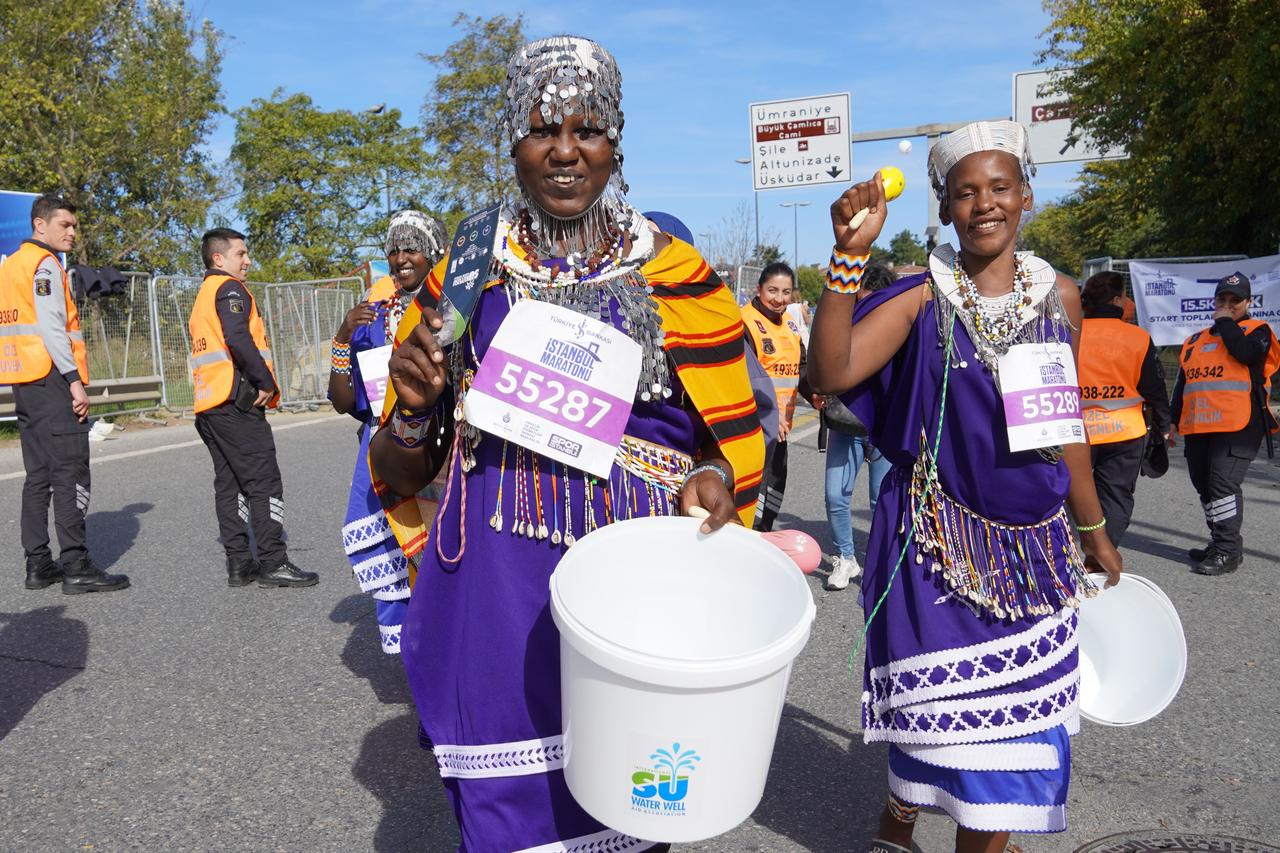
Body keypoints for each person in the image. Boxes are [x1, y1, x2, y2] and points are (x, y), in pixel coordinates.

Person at [369, 35, 762, 853]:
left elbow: (725, 438)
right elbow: (397, 466)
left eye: (586, 130)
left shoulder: (677, 273)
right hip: (498, 590)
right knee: (513, 818)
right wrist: (411, 411)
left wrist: (714, 475)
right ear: (513, 142)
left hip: (636, 584)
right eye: (542, 130)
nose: (564, 152)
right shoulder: (468, 272)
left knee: (636, 799)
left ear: (616, 142)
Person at [808, 121, 1122, 852]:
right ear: (945, 208)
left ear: (1027, 198)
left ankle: (918, 820)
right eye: (965, 192)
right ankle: (900, 814)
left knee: (1009, 754)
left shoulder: (1060, 299)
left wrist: (1092, 527)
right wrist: (847, 261)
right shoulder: (922, 298)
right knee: (937, 721)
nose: (984, 203)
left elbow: (1061, 424)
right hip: (939, 552)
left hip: (1036, 558)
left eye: (1000, 187)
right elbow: (831, 373)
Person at [329, 210, 446, 653]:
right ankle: (414, 662)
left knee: (440, 552)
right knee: (397, 558)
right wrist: (343, 336)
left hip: (438, 449)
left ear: (434, 253)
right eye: (393, 249)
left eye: (411, 247)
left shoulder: (452, 311)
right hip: (381, 453)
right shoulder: (373, 317)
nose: (400, 258)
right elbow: (343, 401)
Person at [0, 193, 129, 594]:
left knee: (38, 477)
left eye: (74, 225)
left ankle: (38, 565)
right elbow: (53, 328)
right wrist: (74, 379)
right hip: (54, 379)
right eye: (65, 225)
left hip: (25, 382)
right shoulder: (45, 265)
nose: (72, 232)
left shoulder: (11, 266)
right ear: (40, 225)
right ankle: (76, 566)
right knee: (71, 472)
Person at [189, 228, 318, 588]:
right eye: (241, 254)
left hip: (210, 404)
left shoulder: (204, 293)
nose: (247, 261)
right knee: (263, 482)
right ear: (219, 259)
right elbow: (237, 338)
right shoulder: (230, 289)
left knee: (229, 485)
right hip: (236, 402)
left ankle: (239, 564)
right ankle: (274, 561)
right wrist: (266, 381)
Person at [1171, 271, 1280, 576]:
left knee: (1222, 485)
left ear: (1248, 302)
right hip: (1199, 424)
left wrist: (1226, 321)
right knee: (1204, 484)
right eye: (1223, 299)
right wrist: (1172, 421)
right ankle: (1221, 540)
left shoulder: (1258, 330)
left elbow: (1245, 354)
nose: (1228, 304)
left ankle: (1227, 551)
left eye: (1235, 300)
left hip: (1239, 425)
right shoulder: (1195, 340)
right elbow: (1184, 383)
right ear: (1214, 299)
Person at [1078, 271, 1171, 547]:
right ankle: (1101, 558)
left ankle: (1066, 556)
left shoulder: (1072, 333)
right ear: (1117, 300)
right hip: (1125, 432)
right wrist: (1165, 425)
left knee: (1071, 495)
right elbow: (1154, 388)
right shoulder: (1137, 337)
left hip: (1077, 432)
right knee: (1116, 497)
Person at [819, 262, 894, 591]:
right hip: (844, 422)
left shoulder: (899, 327)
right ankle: (845, 558)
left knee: (883, 500)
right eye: (859, 301)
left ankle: (882, 560)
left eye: (872, 302)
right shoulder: (840, 326)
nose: (865, 309)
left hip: (886, 427)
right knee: (835, 494)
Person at [741, 262, 803, 531]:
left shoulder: (790, 321)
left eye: (786, 292)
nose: (779, 299)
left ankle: (765, 531)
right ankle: (749, 537)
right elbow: (744, 377)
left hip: (782, 425)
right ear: (759, 289)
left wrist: (818, 394)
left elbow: (803, 365)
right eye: (773, 290)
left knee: (776, 482)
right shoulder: (746, 322)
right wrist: (771, 414)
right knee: (754, 485)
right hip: (756, 421)